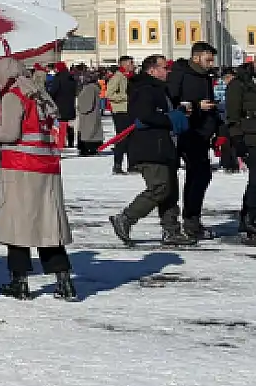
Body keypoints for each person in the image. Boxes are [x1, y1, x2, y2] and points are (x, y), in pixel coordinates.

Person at [0, 57, 74, 300]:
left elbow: (10, 133)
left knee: (18, 226)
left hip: (20, 167)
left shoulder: (12, 96)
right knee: (48, 227)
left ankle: (20, 281)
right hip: (47, 167)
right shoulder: (41, 95)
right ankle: (64, 280)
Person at [109, 54, 193, 247]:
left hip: (164, 145)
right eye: (164, 68)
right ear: (152, 70)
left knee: (170, 188)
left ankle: (171, 230)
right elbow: (145, 115)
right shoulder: (145, 88)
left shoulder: (160, 89)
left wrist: (178, 112)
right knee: (160, 187)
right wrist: (170, 118)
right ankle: (126, 218)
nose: (168, 71)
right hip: (149, 146)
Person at [167, 42, 221, 241]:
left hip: (202, 133)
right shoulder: (180, 74)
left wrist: (215, 127)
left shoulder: (206, 77)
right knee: (189, 177)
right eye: (208, 59)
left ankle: (192, 219)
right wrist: (197, 106)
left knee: (201, 176)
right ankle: (184, 222)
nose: (211, 63)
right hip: (185, 132)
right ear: (196, 57)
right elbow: (172, 101)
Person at [224, 56, 256, 243]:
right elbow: (232, 115)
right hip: (250, 137)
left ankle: (247, 219)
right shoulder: (239, 83)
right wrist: (237, 139)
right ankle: (251, 219)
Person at [107, 56, 134, 174]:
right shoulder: (117, 77)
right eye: (131, 63)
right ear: (125, 64)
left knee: (130, 138)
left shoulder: (127, 77)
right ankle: (117, 165)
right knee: (122, 138)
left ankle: (131, 164)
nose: (133, 65)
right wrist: (125, 98)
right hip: (120, 111)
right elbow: (109, 94)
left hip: (128, 110)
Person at [75, 68, 104, 157]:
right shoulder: (92, 88)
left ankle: (88, 148)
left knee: (88, 132)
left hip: (88, 115)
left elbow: (87, 104)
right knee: (92, 130)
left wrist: (81, 108)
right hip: (92, 114)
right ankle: (92, 148)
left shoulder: (89, 88)